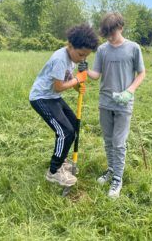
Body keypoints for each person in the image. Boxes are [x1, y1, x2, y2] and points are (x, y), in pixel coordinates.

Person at [29, 24, 99, 187]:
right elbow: (58, 86)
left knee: (73, 125)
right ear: (70, 45)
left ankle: (62, 159)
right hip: (42, 98)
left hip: (53, 97)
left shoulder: (72, 58)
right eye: (81, 54)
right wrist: (77, 80)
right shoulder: (60, 58)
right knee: (65, 132)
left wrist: (77, 85)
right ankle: (53, 171)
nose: (82, 59)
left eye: (86, 56)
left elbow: (68, 80)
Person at [86, 12, 145, 198]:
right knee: (108, 140)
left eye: (113, 32)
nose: (110, 37)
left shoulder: (133, 48)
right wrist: (84, 69)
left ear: (121, 27)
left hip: (124, 103)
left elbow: (141, 73)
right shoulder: (103, 50)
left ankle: (117, 179)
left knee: (119, 143)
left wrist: (130, 91)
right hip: (105, 102)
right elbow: (96, 74)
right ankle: (111, 169)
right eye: (107, 34)